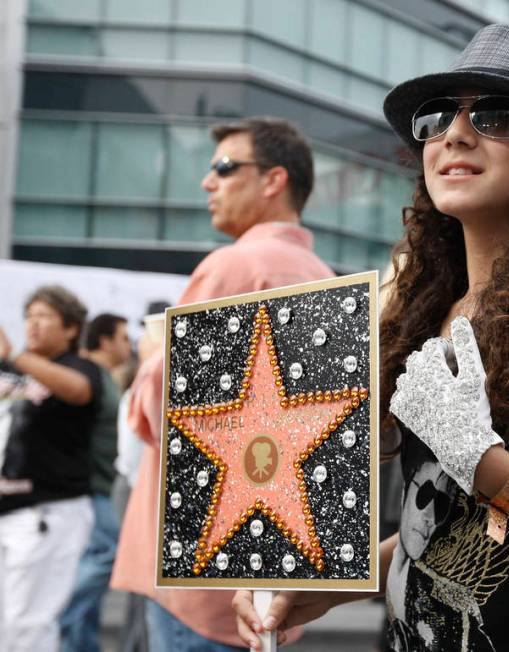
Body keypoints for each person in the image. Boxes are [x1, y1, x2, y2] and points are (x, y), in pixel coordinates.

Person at [233, 24, 509, 651]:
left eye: (497, 115)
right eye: (439, 117)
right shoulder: (430, 306)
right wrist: (332, 584)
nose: (455, 134)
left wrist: (487, 463)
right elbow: (448, 520)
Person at [111, 116, 334, 650]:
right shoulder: (324, 277)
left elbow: (158, 410)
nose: (208, 182)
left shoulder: (234, 267)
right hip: (274, 562)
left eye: (225, 168)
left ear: (274, 180)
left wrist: (150, 358)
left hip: (199, 573)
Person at [0, 285, 102, 650]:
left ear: (71, 328)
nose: (32, 324)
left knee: (27, 627)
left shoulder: (80, 367)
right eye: (28, 316)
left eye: (43, 317)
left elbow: (78, 390)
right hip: (9, 510)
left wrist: (16, 355)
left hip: (48, 510)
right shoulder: (12, 369)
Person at [59, 313, 131, 651]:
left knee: (92, 563)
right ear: (104, 341)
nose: (128, 346)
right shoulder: (85, 376)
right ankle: (55, 609)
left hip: (99, 485)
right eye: (122, 338)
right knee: (110, 552)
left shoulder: (102, 376)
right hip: (89, 489)